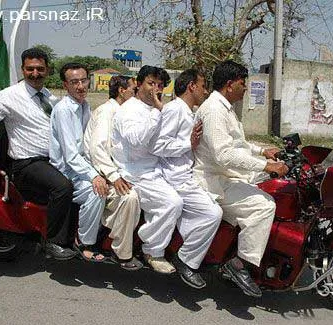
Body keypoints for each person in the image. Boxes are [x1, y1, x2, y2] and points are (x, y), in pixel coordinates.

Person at [0, 48, 76, 260]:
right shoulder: (9, 96)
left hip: (52, 161)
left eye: (40, 69)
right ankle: (53, 242)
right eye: (30, 69)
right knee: (62, 187)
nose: (35, 73)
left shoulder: (49, 97)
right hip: (26, 164)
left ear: (48, 70)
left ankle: (80, 238)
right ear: (22, 69)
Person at [193, 60, 289, 297]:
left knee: (273, 189)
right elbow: (224, 155)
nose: (245, 88)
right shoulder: (215, 110)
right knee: (264, 205)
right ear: (229, 84)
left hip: (227, 174)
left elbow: (238, 143)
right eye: (242, 83)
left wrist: (262, 152)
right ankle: (240, 264)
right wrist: (267, 166)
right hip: (214, 180)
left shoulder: (224, 107)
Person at [152, 69, 222, 288]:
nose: (206, 91)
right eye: (203, 86)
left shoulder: (187, 111)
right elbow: (158, 145)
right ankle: (186, 260)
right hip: (175, 178)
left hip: (187, 174)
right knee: (213, 213)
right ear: (192, 86)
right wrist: (188, 144)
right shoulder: (175, 110)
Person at [112, 65, 182, 274]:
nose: (156, 89)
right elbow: (136, 140)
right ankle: (152, 250)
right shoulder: (128, 110)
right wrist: (158, 112)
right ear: (138, 83)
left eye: (160, 85)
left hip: (157, 168)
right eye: (151, 84)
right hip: (135, 172)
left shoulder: (156, 109)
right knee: (172, 203)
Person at [49, 62, 109, 263]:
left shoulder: (85, 106)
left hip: (83, 166)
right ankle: (83, 242)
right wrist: (94, 175)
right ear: (65, 85)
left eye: (84, 80)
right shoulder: (64, 110)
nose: (81, 86)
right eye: (74, 82)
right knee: (96, 192)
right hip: (67, 171)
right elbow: (70, 155)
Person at [83, 75, 143, 270]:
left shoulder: (125, 112)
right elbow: (97, 149)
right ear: (121, 91)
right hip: (101, 174)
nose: (136, 94)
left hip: (118, 171)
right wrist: (114, 177)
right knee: (130, 197)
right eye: (133, 90)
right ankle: (122, 253)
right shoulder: (107, 112)